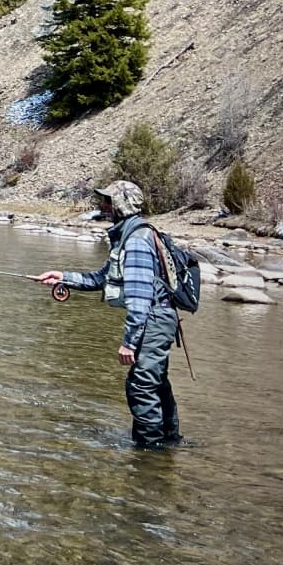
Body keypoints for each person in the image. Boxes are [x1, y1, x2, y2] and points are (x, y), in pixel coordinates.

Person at [36, 180, 182, 449]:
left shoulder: (137, 240)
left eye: (108, 201)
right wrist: (63, 277)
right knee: (156, 382)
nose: (103, 205)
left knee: (140, 386)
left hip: (153, 320)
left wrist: (129, 342)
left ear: (122, 205)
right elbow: (102, 278)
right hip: (158, 319)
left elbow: (139, 298)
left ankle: (150, 451)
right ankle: (170, 442)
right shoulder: (130, 235)